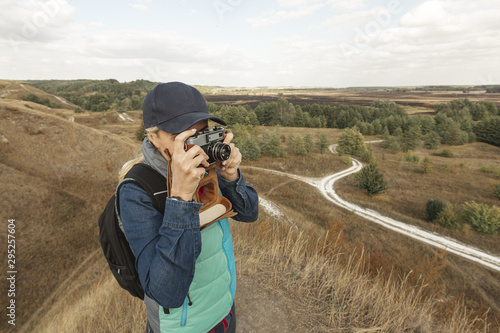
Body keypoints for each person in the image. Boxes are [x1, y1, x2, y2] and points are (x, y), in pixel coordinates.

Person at [117, 82, 259, 333]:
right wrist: (181, 197)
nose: (195, 147)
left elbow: (249, 213)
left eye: (201, 133)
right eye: (181, 137)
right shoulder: (136, 191)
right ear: (153, 137)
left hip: (223, 307)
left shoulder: (208, 165)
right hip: (182, 326)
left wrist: (231, 176)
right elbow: (166, 293)